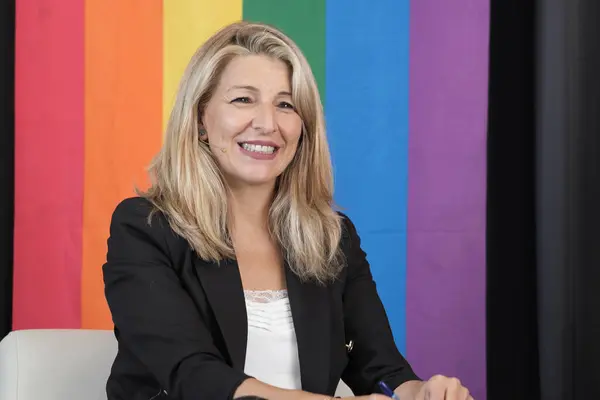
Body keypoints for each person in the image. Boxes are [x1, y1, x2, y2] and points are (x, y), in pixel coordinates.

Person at [102, 21, 474, 400]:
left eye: (285, 104)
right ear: (200, 119)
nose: (267, 123)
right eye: (243, 100)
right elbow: (194, 377)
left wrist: (423, 392)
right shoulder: (145, 228)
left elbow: (382, 370)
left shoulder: (332, 237)